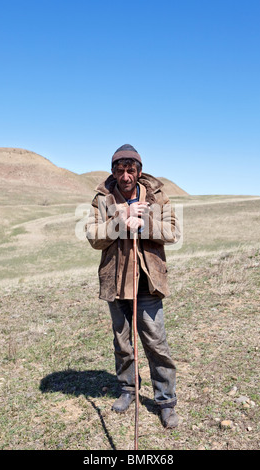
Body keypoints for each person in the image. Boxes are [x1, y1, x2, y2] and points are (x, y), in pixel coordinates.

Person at [85, 144, 180, 428]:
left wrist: (145, 222)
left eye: (131, 169)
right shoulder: (102, 198)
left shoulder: (156, 195)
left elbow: (173, 231)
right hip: (116, 282)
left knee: (156, 344)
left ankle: (165, 400)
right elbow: (93, 236)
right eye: (119, 169)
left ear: (138, 171)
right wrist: (120, 220)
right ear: (113, 171)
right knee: (123, 343)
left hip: (147, 283)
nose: (125, 175)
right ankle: (128, 389)